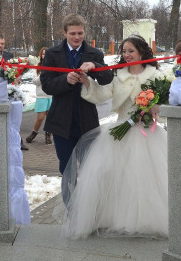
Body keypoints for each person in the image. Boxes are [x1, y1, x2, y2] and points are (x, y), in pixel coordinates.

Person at [62, 35, 168, 239]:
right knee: (113, 175)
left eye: (131, 51)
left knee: (146, 176)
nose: (127, 55)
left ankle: (146, 219)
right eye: (124, 51)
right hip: (121, 130)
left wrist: (153, 109)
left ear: (142, 52)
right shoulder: (118, 74)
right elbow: (101, 94)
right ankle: (115, 218)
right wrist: (86, 81)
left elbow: (164, 104)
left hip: (147, 132)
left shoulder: (156, 75)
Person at [40, 13, 113, 178]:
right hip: (61, 122)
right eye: (72, 33)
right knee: (68, 171)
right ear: (64, 33)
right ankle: (70, 204)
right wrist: (65, 80)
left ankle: (89, 204)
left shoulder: (94, 53)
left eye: (80, 33)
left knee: (90, 170)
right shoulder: (52, 54)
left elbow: (107, 78)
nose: (77, 37)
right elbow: (46, 85)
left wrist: (95, 65)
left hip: (87, 121)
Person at [25, 47, 53, 145]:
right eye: (43, 54)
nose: (45, 56)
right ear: (41, 55)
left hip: (51, 95)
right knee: (40, 117)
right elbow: (35, 82)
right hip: (41, 96)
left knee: (50, 117)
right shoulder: (37, 67)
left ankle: (48, 135)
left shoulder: (53, 66)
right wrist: (43, 74)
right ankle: (34, 133)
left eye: (47, 54)